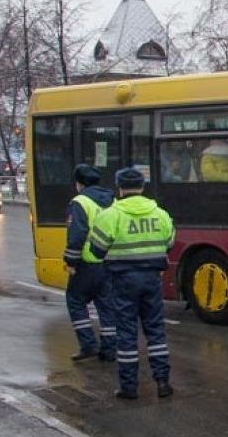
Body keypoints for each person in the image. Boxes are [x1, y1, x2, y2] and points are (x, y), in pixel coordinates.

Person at [89, 167, 176, 399]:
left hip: (123, 281)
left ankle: (129, 387)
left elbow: (96, 250)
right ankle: (163, 383)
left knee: (127, 332)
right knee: (155, 330)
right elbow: (169, 243)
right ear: (142, 186)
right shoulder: (160, 214)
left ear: (119, 188)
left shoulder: (110, 215)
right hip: (152, 280)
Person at [63, 164, 117, 362]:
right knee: (107, 305)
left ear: (79, 183)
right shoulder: (113, 200)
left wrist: (71, 261)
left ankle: (88, 345)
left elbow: (76, 235)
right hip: (110, 262)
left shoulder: (80, 202)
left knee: (75, 301)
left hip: (87, 263)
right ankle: (110, 348)